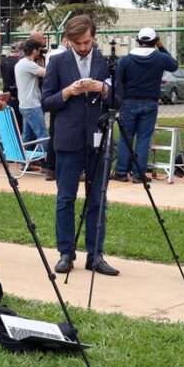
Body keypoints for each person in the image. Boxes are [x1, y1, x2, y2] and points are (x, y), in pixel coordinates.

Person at [42, 15, 121, 277]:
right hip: (68, 138)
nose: (83, 47)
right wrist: (68, 92)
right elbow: (46, 101)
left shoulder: (106, 62)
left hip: (97, 137)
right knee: (66, 198)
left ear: (94, 37)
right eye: (77, 43)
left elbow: (120, 100)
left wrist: (104, 90)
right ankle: (66, 252)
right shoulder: (57, 61)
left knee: (97, 198)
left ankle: (95, 254)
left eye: (87, 42)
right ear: (69, 40)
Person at [114, 27, 178, 183]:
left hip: (129, 102)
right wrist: (161, 46)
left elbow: (118, 81)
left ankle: (121, 172)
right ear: (154, 41)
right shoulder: (160, 58)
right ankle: (139, 174)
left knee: (126, 137)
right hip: (150, 102)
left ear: (138, 40)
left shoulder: (126, 59)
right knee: (143, 138)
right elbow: (174, 65)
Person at [14, 39, 51, 177]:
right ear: (35, 51)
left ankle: (24, 163)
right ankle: (48, 166)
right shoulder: (28, 64)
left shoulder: (20, 64)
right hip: (32, 105)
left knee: (28, 136)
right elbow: (47, 73)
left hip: (24, 104)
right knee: (42, 135)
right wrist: (48, 58)